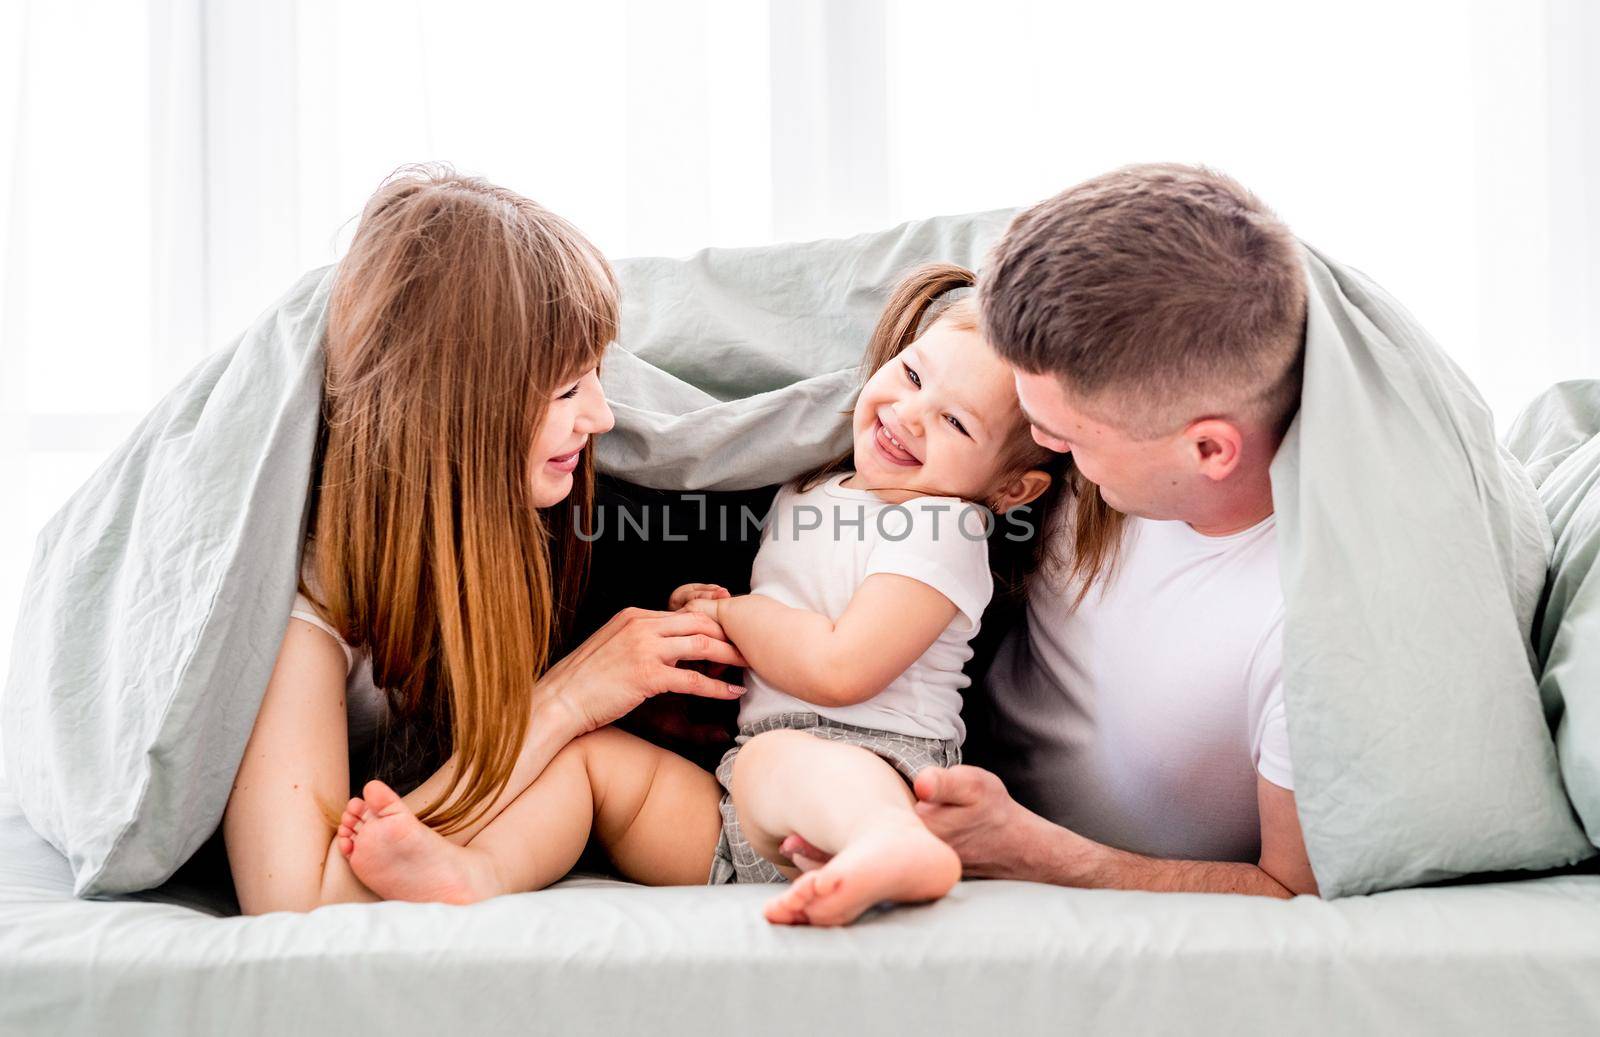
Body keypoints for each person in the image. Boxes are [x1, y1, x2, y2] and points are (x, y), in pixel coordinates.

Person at [334, 263, 1118, 925]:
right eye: (911, 375)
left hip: (876, 768)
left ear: (1012, 488)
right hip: (745, 795)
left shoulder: (945, 527)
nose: (908, 414)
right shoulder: (815, 480)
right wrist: (710, 617)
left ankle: (895, 844)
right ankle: (475, 877)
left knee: (782, 758)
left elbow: (843, 667)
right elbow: (789, 621)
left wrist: (734, 616)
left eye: (953, 422)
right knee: (593, 765)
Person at [223, 165, 748, 915]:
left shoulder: (505, 520)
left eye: (594, 375)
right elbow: (297, 903)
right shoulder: (300, 600)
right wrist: (567, 699)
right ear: (459, 413)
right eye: (566, 389)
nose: (600, 416)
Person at [881, 163, 1321, 897]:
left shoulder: (1301, 629)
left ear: (1208, 449)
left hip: (1020, 843)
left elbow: (1291, 889)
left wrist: (1038, 852)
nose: (1046, 451)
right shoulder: (1106, 447)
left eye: (1069, 435)